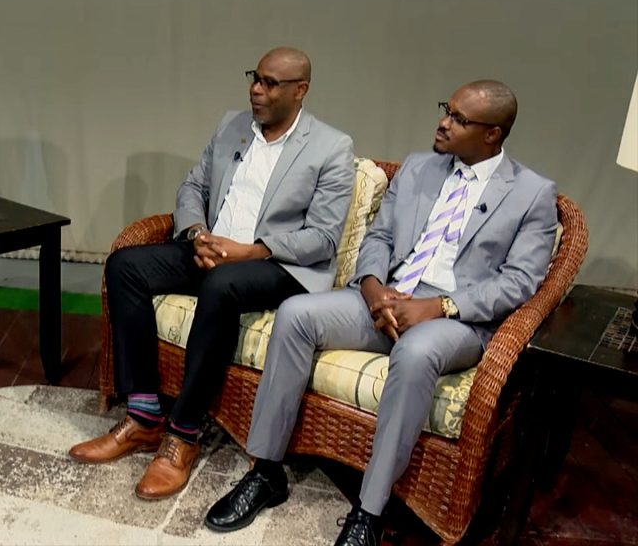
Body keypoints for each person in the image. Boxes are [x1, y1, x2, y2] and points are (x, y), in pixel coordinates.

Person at [203, 80, 558, 545]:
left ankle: (368, 512)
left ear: (492, 134)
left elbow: (519, 282)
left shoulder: (532, 194)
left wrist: (438, 306)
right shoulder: (418, 168)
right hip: (386, 297)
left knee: (415, 354)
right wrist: (374, 291)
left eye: (458, 119)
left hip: (455, 319)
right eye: (446, 110)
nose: (443, 123)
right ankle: (266, 471)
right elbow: (380, 238)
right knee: (296, 315)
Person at [69, 47, 355, 500]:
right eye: (255, 78)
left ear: (300, 90)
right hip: (212, 248)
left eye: (270, 83)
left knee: (222, 285)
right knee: (125, 266)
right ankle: (144, 416)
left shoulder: (331, 147)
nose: (256, 90)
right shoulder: (232, 126)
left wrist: (250, 251)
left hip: (277, 265)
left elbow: (321, 238)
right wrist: (197, 234)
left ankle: (183, 434)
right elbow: (193, 186)